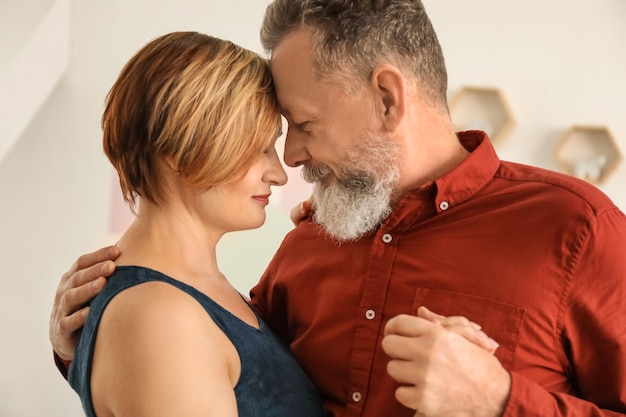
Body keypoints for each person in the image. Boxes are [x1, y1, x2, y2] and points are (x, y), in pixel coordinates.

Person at [49, 1, 626, 417]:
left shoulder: (575, 231)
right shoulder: (310, 243)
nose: (292, 159)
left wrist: (501, 403)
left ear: (386, 98)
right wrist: (83, 347)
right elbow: (224, 364)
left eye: (302, 125)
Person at [62, 30, 329, 417]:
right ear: (175, 150)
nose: (279, 173)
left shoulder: (191, 296)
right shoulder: (159, 317)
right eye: (259, 148)